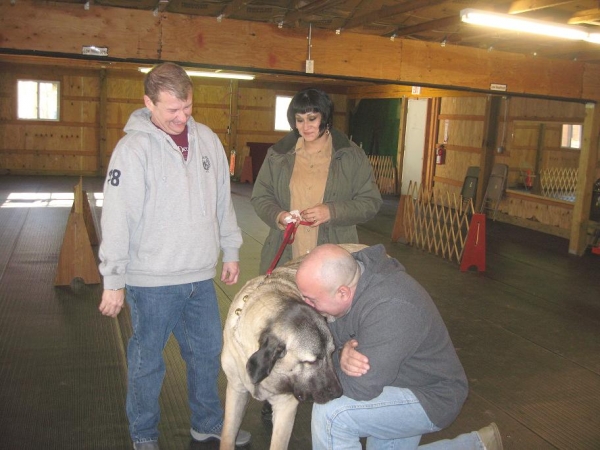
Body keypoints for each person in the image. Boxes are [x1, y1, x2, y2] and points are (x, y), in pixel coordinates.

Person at [97, 62, 250, 450]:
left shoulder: (208, 140)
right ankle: (144, 435)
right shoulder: (132, 149)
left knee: (206, 355)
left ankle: (208, 424)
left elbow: (221, 200)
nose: (182, 117)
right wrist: (113, 280)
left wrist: (230, 249)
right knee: (148, 363)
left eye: (187, 108)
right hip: (151, 282)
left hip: (199, 277)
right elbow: (116, 217)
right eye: (172, 111)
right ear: (148, 102)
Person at [295, 244, 503, 450]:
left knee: (332, 415)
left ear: (342, 293)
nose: (307, 306)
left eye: (311, 299)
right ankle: (475, 446)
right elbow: (333, 347)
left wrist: (331, 366)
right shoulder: (351, 281)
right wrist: (340, 354)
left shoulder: (392, 306)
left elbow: (361, 386)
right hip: (393, 379)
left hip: (430, 395)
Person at [251, 87, 382, 275]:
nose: (306, 126)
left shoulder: (351, 156)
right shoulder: (277, 155)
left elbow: (370, 202)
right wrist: (279, 216)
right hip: (285, 256)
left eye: (312, 118)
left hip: (333, 259)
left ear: (325, 118)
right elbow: (260, 196)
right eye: (300, 120)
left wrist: (331, 211)